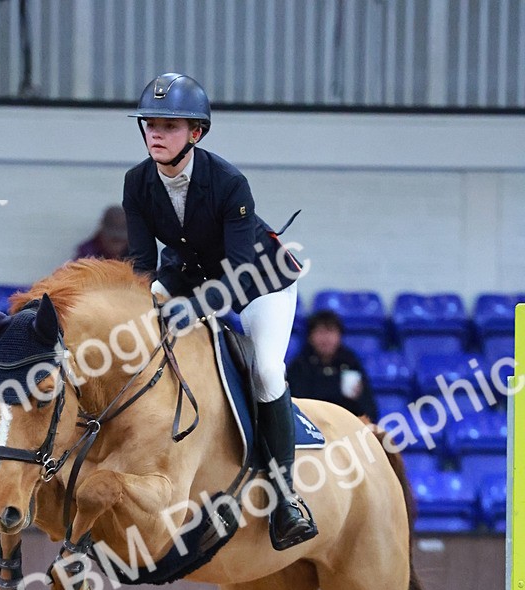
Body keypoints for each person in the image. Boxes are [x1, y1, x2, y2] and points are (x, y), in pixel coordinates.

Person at [122, 71, 317, 552]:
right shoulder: (137, 182)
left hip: (257, 282)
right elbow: (142, 267)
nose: (155, 133)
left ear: (196, 133)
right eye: (150, 124)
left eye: (169, 126)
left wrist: (192, 309)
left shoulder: (229, 182)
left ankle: (284, 498)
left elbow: (238, 273)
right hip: (189, 272)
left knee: (268, 371)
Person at [287, 310, 378, 423]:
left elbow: (370, 410)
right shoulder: (300, 364)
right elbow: (298, 403)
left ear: (340, 335)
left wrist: (358, 397)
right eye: (320, 332)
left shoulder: (350, 361)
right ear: (310, 337)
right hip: (313, 426)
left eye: (330, 331)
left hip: (346, 425)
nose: (326, 338)